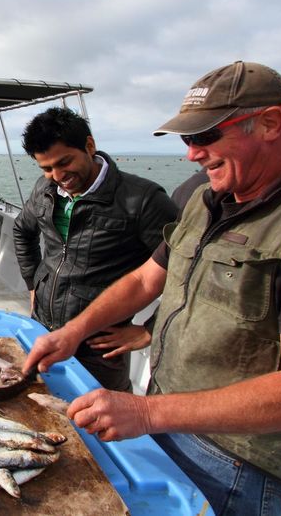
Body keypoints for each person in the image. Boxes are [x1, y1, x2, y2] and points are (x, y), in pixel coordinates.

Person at [23, 61, 281, 514]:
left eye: (206, 136)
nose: (192, 154)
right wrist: (72, 333)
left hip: (238, 460)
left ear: (271, 123)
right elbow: (147, 278)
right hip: (165, 419)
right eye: (187, 139)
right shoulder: (201, 197)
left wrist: (145, 413)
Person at [13, 107, 177, 391]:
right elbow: (22, 231)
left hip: (98, 346)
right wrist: (32, 285)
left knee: (101, 422)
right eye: (47, 168)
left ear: (89, 146)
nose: (57, 175)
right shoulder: (44, 189)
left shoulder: (143, 201)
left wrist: (150, 330)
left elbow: (188, 272)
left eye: (64, 162)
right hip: (41, 328)